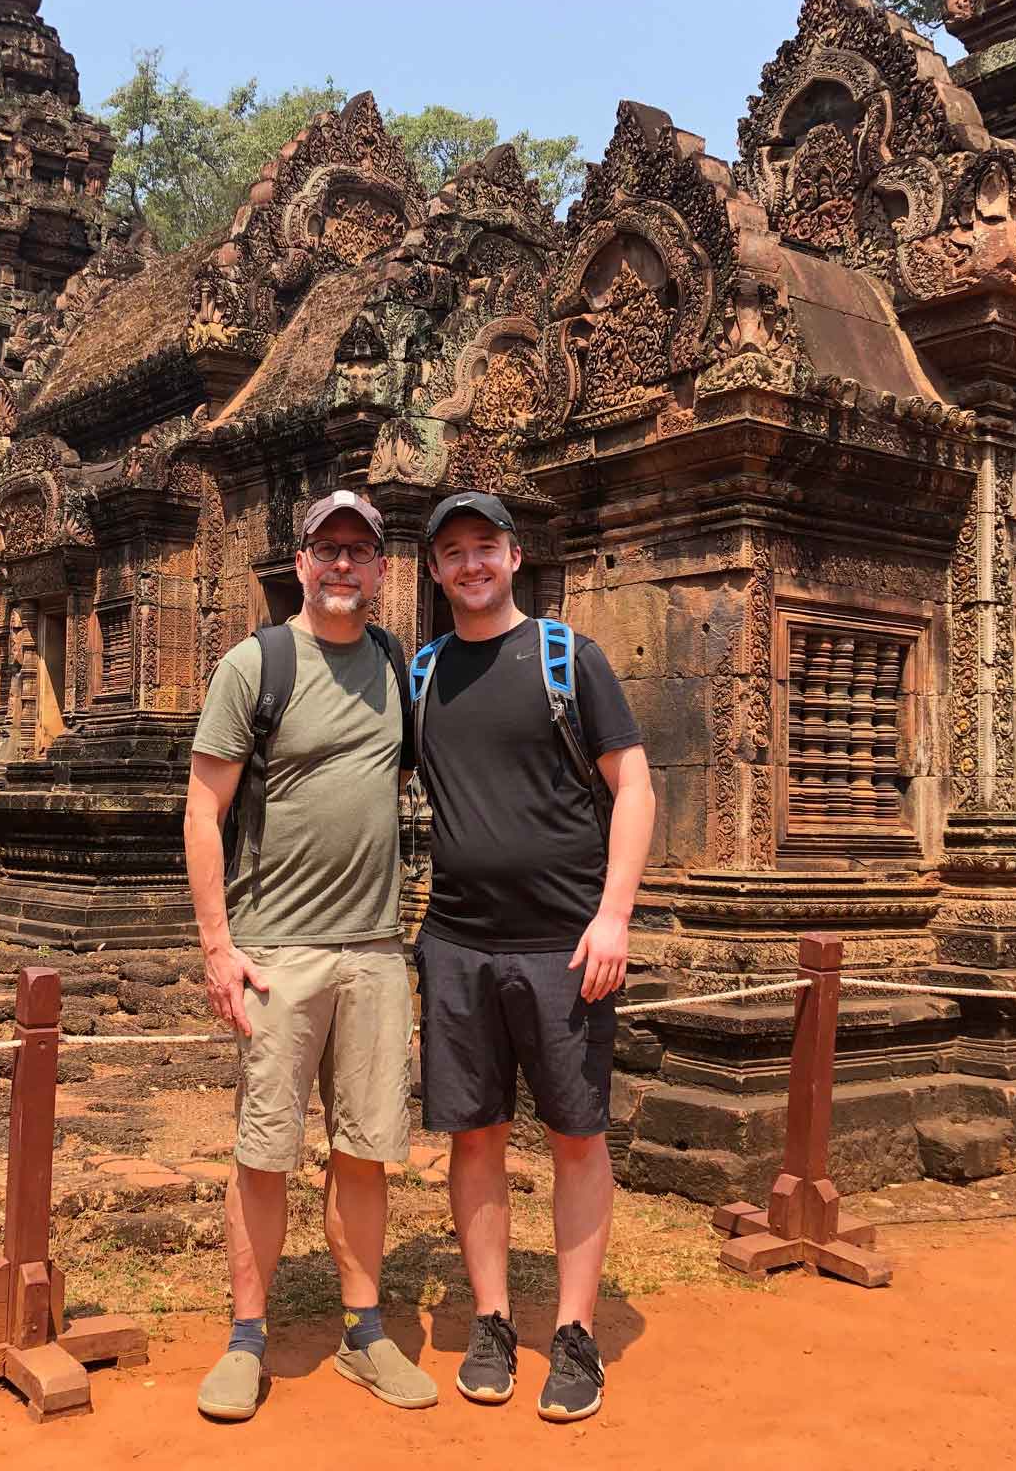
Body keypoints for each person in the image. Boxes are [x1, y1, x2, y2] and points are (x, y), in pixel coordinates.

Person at [183, 489, 433, 1423]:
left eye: (357, 553)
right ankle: (247, 1339)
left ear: (380, 570)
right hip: (278, 950)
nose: (341, 567)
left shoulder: (396, 667)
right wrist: (218, 946)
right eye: (326, 550)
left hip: (373, 950)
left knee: (365, 1150)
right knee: (265, 1151)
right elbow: (204, 809)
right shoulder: (256, 665)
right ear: (300, 563)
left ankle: (364, 1332)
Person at [413, 490, 655, 1424]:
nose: (470, 566)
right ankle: (489, 1318)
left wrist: (616, 916)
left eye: (485, 548)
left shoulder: (568, 657)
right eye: (452, 554)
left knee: (574, 1132)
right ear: (433, 573)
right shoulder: (424, 673)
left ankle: (577, 1332)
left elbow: (631, 783)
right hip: (458, 939)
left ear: (514, 557)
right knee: (472, 1133)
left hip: (565, 940)